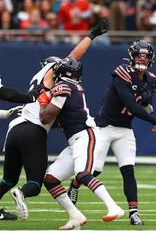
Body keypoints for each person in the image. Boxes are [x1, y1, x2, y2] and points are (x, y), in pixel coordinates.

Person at [1, 19, 108, 220]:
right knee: (35, 182)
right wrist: (91, 36)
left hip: (14, 129)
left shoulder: (37, 79)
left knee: (8, 179)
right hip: (34, 130)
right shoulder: (53, 73)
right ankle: (22, 193)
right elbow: (74, 56)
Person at [66, 39, 156, 226]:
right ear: (131, 56)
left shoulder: (151, 79)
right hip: (103, 127)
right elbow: (131, 105)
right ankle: (75, 185)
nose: (142, 59)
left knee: (128, 170)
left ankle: (134, 212)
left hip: (124, 129)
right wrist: (154, 120)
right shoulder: (122, 72)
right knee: (94, 170)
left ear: (151, 59)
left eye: (145, 56)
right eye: (138, 56)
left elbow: (145, 102)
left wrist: (146, 102)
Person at [39, 57, 124, 230]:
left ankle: (113, 207)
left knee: (82, 173)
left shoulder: (62, 87)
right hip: (75, 139)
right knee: (51, 179)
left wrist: (42, 103)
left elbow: (45, 117)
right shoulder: (71, 86)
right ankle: (75, 216)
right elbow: (61, 119)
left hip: (85, 135)